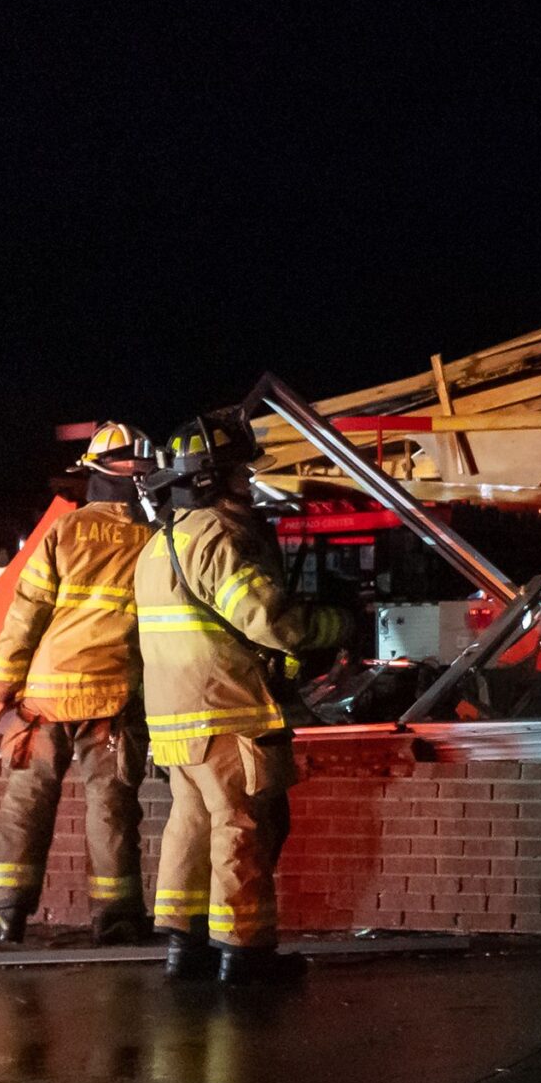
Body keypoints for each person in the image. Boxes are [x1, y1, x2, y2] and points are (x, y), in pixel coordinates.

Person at [134, 413, 352, 987]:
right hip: (228, 713)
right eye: (238, 474)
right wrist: (339, 624)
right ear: (213, 478)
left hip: (175, 721)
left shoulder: (159, 544)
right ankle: (245, 955)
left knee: (191, 826)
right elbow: (269, 620)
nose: (248, 484)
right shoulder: (219, 537)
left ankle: (187, 949)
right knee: (243, 828)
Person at [0, 422, 156, 945]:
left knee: (26, 802)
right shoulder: (154, 541)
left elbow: (26, 612)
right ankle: (116, 916)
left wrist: (6, 685)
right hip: (112, 699)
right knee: (111, 806)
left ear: (94, 474)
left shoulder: (63, 532)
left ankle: (5, 914)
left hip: (45, 695)